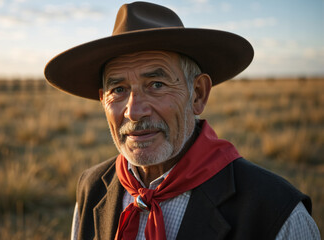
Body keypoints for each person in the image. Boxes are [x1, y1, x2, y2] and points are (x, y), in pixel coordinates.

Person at [44, 2, 320, 240]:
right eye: (118, 90)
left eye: (156, 84)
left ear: (197, 94)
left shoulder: (275, 213)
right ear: (104, 100)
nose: (133, 111)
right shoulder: (92, 188)